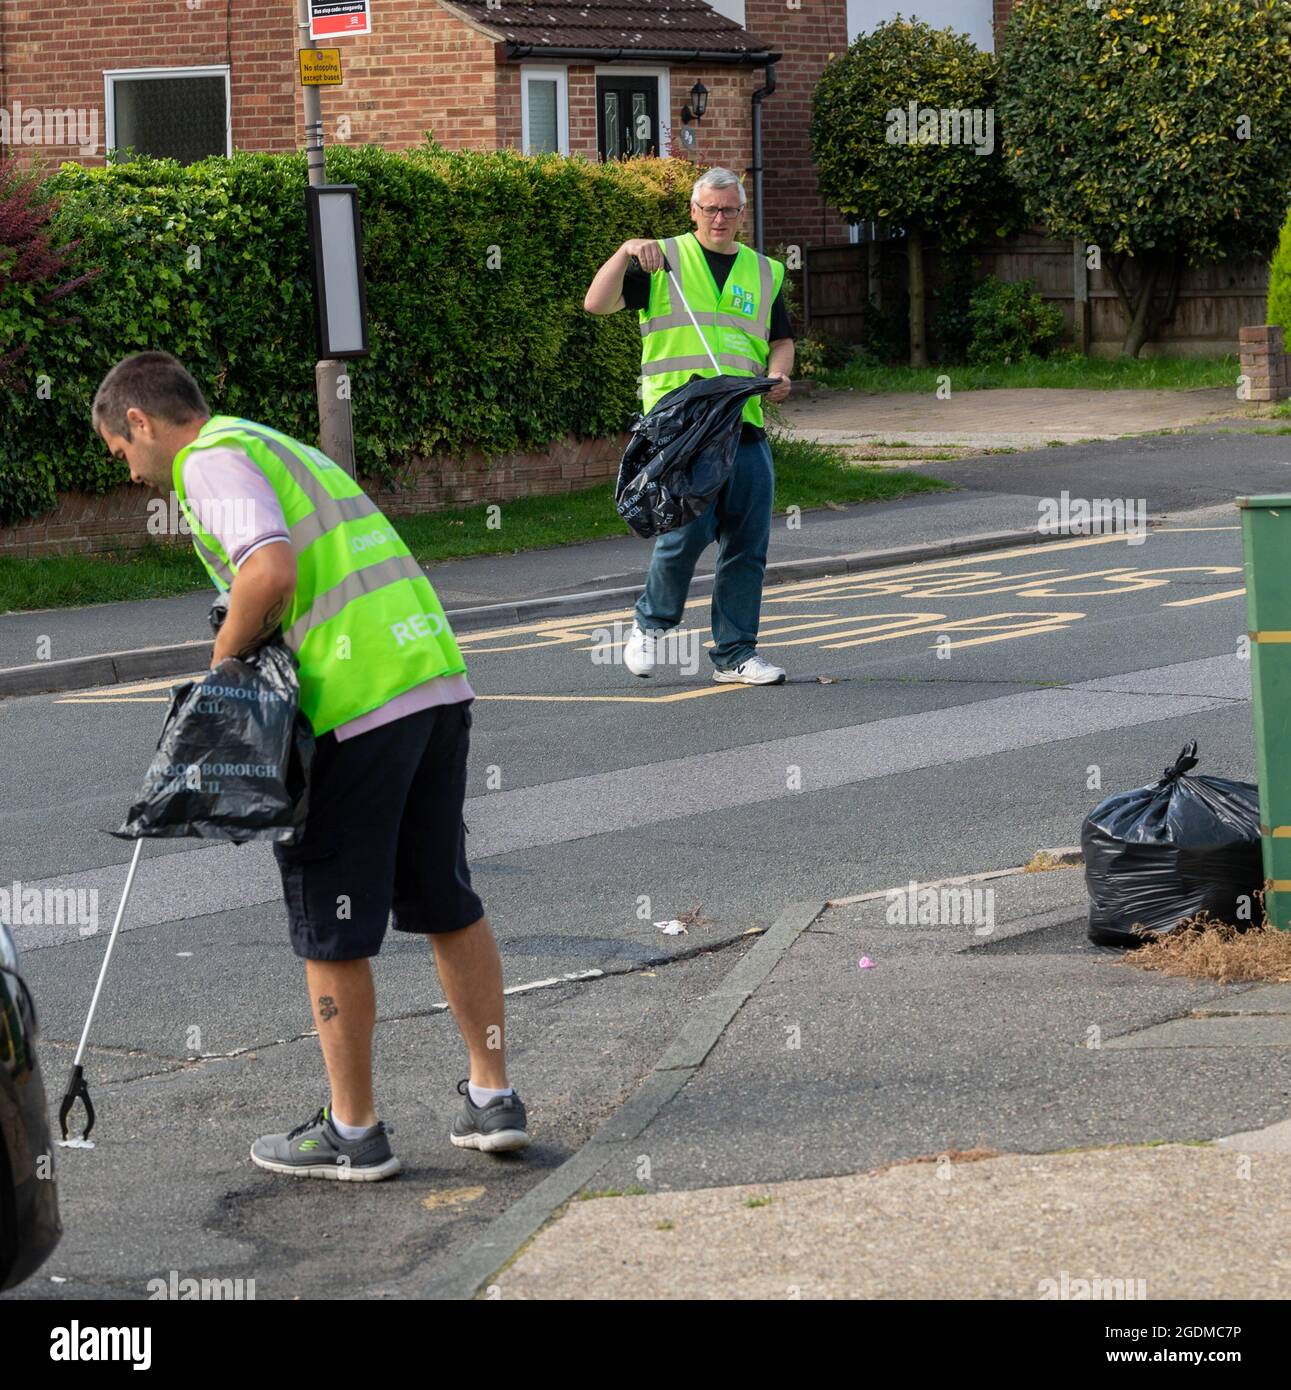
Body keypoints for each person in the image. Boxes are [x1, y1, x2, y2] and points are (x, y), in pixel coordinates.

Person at [91, 351, 529, 1181]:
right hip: (427, 680)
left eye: (123, 452)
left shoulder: (208, 461)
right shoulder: (276, 445)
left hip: (347, 709)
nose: (133, 472)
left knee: (330, 926)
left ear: (139, 421)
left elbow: (270, 567)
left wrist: (222, 675)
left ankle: (354, 1130)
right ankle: (491, 1096)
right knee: (444, 899)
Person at [584, 167, 796, 685]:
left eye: (729, 209)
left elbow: (781, 339)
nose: (719, 218)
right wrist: (625, 250)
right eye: (710, 209)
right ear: (693, 211)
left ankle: (735, 655)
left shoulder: (765, 271)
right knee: (683, 535)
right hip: (681, 433)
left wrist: (780, 373)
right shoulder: (661, 259)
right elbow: (596, 303)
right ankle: (649, 626)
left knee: (747, 547)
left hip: (744, 425)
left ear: (742, 214)